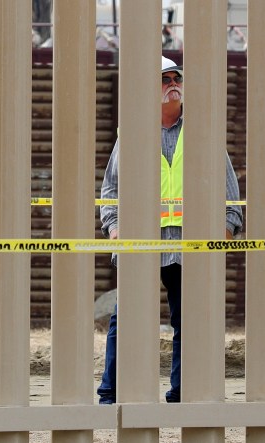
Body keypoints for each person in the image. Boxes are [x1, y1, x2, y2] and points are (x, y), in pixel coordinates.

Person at [97, 56, 243, 404]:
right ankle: (110, 394)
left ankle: (181, 394)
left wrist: (227, 225)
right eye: (164, 79)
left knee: (189, 322)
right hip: (142, 242)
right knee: (127, 321)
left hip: (188, 243)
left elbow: (229, 187)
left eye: (177, 77)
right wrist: (114, 227)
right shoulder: (132, 133)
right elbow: (111, 189)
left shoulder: (202, 132)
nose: (173, 83)